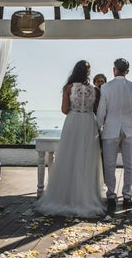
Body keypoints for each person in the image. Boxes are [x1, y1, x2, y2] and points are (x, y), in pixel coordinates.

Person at [36, 60, 106, 217]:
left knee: (69, 157)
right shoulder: (95, 89)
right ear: (88, 73)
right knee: (87, 158)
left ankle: (66, 196)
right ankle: (86, 196)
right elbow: (98, 110)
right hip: (89, 122)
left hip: (73, 122)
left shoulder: (68, 88)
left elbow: (64, 109)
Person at [96, 58, 132, 212]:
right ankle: (127, 196)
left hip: (110, 130)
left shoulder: (105, 88)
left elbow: (101, 112)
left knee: (109, 165)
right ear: (127, 71)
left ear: (114, 70)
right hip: (129, 130)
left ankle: (111, 196)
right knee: (129, 164)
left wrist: (98, 128)